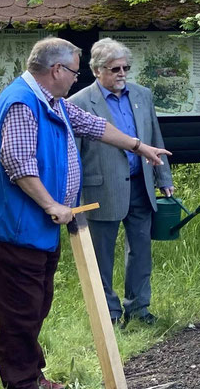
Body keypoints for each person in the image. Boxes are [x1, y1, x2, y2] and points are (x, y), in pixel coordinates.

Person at [0, 37, 171, 389]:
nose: (76, 81)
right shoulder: (21, 103)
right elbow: (18, 164)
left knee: (38, 301)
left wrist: (139, 147)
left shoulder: (54, 103)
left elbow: (93, 125)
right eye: (75, 72)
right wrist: (52, 204)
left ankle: (32, 372)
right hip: (12, 227)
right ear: (56, 70)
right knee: (20, 308)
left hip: (36, 226)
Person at [71, 38, 173, 327]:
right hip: (100, 188)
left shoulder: (142, 95)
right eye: (115, 68)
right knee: (102, 255)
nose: (122, 73)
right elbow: (73, 154)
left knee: (140, 250)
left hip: (141, 184)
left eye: (126, 67)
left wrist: (163, 176)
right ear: (97, 70)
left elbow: (154, 138)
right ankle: (110, 314)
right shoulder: (79, 103)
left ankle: (139, 308)